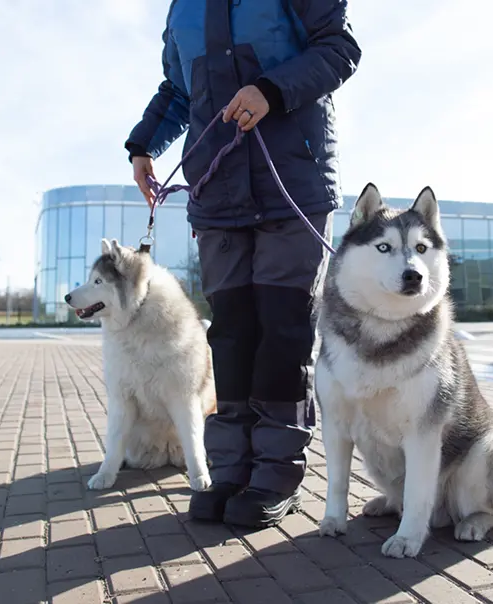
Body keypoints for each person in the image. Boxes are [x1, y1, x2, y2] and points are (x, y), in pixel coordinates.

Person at [124, 0, 361, 527]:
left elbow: (339, 49)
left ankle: (275, 474)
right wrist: (143, 144)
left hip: (290, 180)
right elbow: (178, 89)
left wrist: (271, 90)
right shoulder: (182, 9)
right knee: (230, 334)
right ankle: (230, 470)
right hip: (219, 192)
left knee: (282, 331)